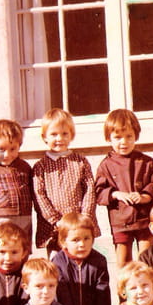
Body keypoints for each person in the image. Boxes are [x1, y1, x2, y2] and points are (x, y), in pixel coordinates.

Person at [94, 108, 153, 265]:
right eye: (118, 137)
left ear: (136, 136)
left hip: (144, 219)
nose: (124, 142)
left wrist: (145, 196)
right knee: (123, 262)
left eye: (129, 136)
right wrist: (116, 194)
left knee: (146, 260)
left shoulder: (146, 162)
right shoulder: (106, 165)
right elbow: (99, 192)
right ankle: (124, 283)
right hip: (120, 221)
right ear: (108, 138)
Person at [32, 108, 99, 255]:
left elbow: (89, 189)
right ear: (44, 137)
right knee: (57, 262)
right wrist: (55, 220)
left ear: (71, 135)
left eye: (64, 134)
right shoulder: (40, 166)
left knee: (80, 257)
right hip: (53, 227)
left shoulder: (80, 162)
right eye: (54, 134)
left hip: (79, 224)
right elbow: (39, 195)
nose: (59, 139)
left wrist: (85, 216)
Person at [51, 212, 112, 305]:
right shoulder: (58, 262)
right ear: (64, 242)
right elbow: (61, 298)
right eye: (76, 240)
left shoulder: (99, 261)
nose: (82, 244)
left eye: (86, 238)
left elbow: (103, 297)